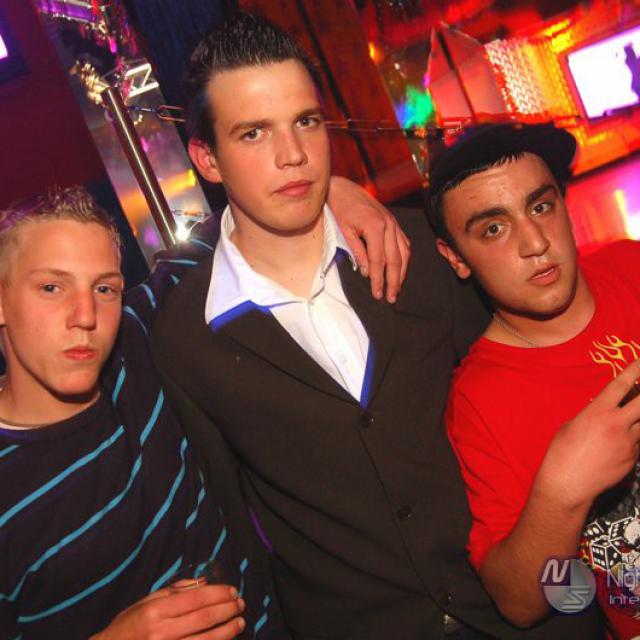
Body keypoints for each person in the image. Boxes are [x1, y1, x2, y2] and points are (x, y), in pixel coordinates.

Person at [151, 13, 601, 639]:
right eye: (254, 133)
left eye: (306, 122)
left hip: (529, 612)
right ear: (207, 158)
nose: (292, 155)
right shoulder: (185, 338)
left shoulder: (422, 250)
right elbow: (231, 526)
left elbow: (531, 386)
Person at [0, 186, 287, 639]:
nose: (85, 315)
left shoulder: (132, 341)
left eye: (104, 288)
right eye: (51, 287)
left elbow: (230, 228)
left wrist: (337, 194)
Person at [428, 121, 640, 638]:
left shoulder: (630, 265)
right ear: (456, 258)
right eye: (493, 229)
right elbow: (520, 601)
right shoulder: (480, 400)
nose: (535, 242)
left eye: (541, 206)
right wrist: (561, 491)